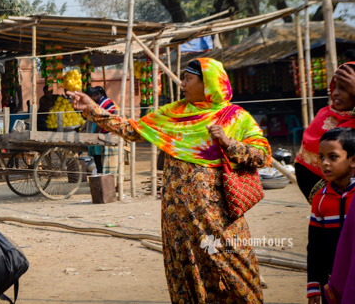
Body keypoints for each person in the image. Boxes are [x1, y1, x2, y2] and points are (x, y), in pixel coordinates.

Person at [67, 58, 270, 303]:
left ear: (209, 83)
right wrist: (92, 109)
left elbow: (262, 155)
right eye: (182, 78)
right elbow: (132, 129)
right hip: (177, 218)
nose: (182, 84)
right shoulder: (173, 114)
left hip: (219, 217)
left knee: (233, 269)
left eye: (188, 78)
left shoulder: (235, 118)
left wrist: (229, 143)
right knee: (185, 273)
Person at [307, 127, 355, 304]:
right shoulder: (320, 199)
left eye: (333, 157)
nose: (325, 163)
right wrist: (314, 288)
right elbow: (315, 247)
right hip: (332, 285)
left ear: (353, 160)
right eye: (322, 157)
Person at [295, 62, 355, 202]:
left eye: (344, 88)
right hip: (326, 200)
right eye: (334, 87)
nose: (335, 93)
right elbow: (304, 166)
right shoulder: (324, 116)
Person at [85, 86, 117, 174]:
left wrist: (94, 135)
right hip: (103, 132)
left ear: (95, 95)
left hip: (108, 133)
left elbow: (101, 122)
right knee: (98, 160)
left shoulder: (103, 103)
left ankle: (101, 174)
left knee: (99, 160)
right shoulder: (101, 102)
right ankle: (100, 173)